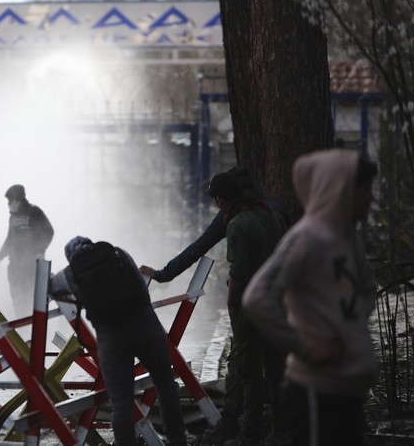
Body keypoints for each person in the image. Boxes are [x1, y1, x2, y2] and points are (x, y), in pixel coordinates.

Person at [243, 150, 378, 446]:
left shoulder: (348, 239)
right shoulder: (306, 238)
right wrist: (303, 347)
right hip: (316, 391)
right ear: (341, 189)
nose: (371, 198)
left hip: (349, 386)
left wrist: (348, 330)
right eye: (365, 189)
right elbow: (257, 297)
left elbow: (367, 290)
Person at [51, 236, 188, 446]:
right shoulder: (118, 254)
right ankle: (178, 441)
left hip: (112, 338)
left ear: (71, 258)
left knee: (121, 402)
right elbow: (140, 289)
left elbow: (49, 287)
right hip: (145, 325)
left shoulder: (71, 273)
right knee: (165, 384)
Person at [203, 172, 288, 446]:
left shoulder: (238, 224)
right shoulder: (269, 215)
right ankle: (281, 431)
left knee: (249, 373)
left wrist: (231, 302)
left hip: (250, 307)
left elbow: (238, 271)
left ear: (220, 199)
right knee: (276, 369)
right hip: (275, 302)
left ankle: (250, 434)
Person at [139, 166, 289, 283]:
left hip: (258, 286)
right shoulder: (276, 206)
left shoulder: (230, 214)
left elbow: (198, 247)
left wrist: (164, 275)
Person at [0, 184, 54, 317]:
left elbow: (49, 231)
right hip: (15, 266)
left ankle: (34, 326)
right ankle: (22, 328)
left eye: (10, 200)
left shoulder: (34, 212)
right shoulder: (12, 218)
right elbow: (9, 240)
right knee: (18, 301)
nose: (9, 204)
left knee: (33, 300)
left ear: (18, 200)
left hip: (32, 265)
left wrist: (41, 249)